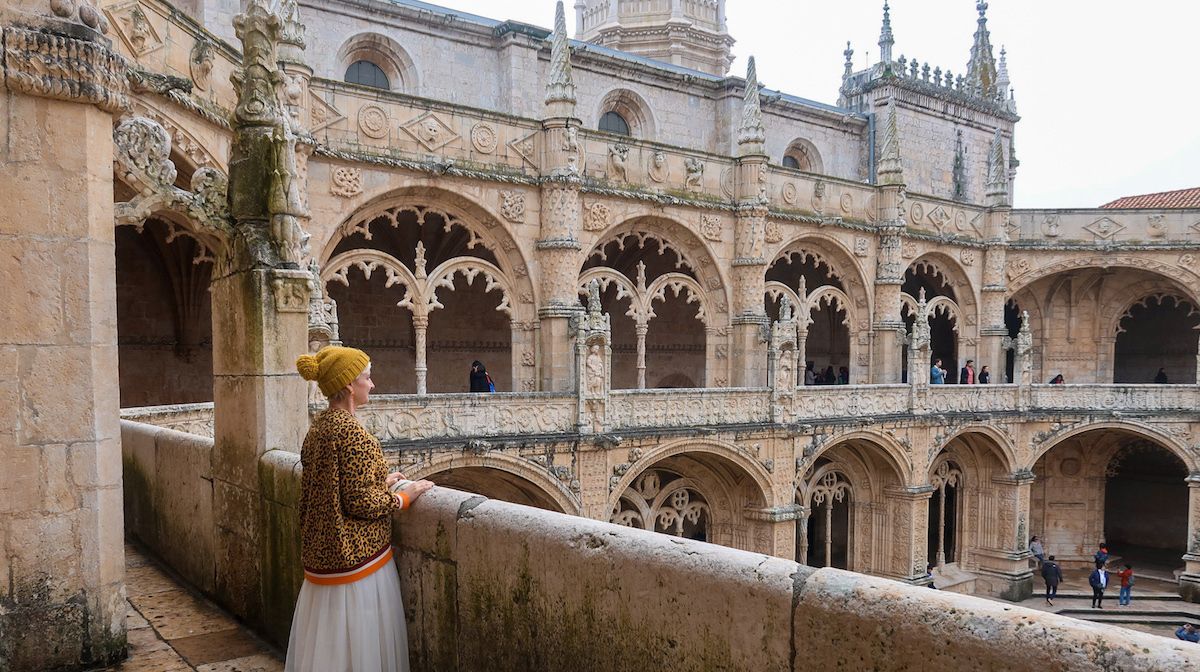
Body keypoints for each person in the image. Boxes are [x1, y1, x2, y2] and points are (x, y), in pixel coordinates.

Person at [289, 345, 435, 672]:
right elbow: (359, 501)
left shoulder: (319, 428)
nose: (372, 384)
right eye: (366, 378)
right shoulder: (354, 434)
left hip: (322, 558)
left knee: (330, 650)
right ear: (348, 385)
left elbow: (334, 485)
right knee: (361, 647)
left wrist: (379, 481)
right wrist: (403, 497)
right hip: (357, 560)